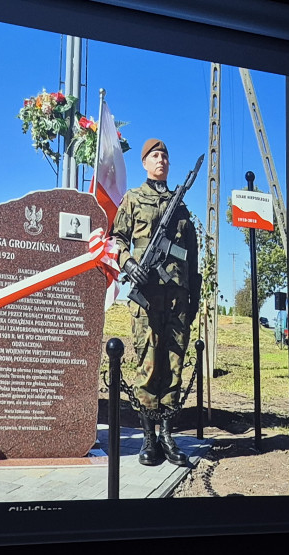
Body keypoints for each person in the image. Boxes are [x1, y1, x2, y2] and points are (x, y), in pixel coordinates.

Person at [111, 138, 201, 467]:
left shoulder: (181, 207)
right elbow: (116, 237)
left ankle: (167, 435)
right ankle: (149, 437)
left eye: (165, 155)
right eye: (154, 156)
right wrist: (128, 263)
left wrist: (194, 295)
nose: (161, 160)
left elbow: (191, 256)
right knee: (148, 364)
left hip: (176, 297)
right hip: (145, 296)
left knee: (173, 365)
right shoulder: (133, 199)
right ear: (145, 163)